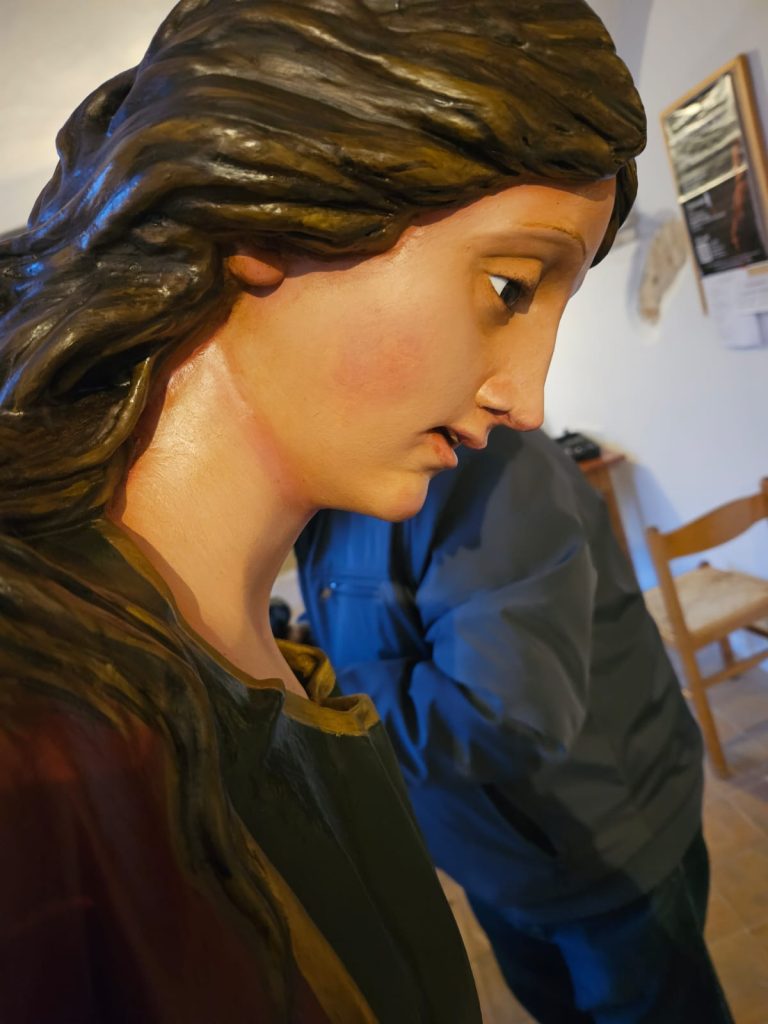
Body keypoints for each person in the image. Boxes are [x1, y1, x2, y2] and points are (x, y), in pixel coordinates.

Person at [0, 1, 644, 1020]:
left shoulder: (267, 619)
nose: (526, 397)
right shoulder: (39, 747)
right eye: (510, 286)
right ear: (269, 219)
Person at [296, 427, 734, 1024]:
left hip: (604, 854)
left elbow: (503, 715)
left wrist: (312, 690)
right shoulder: (335, 492)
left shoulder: (486, 468)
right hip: (495, 856)